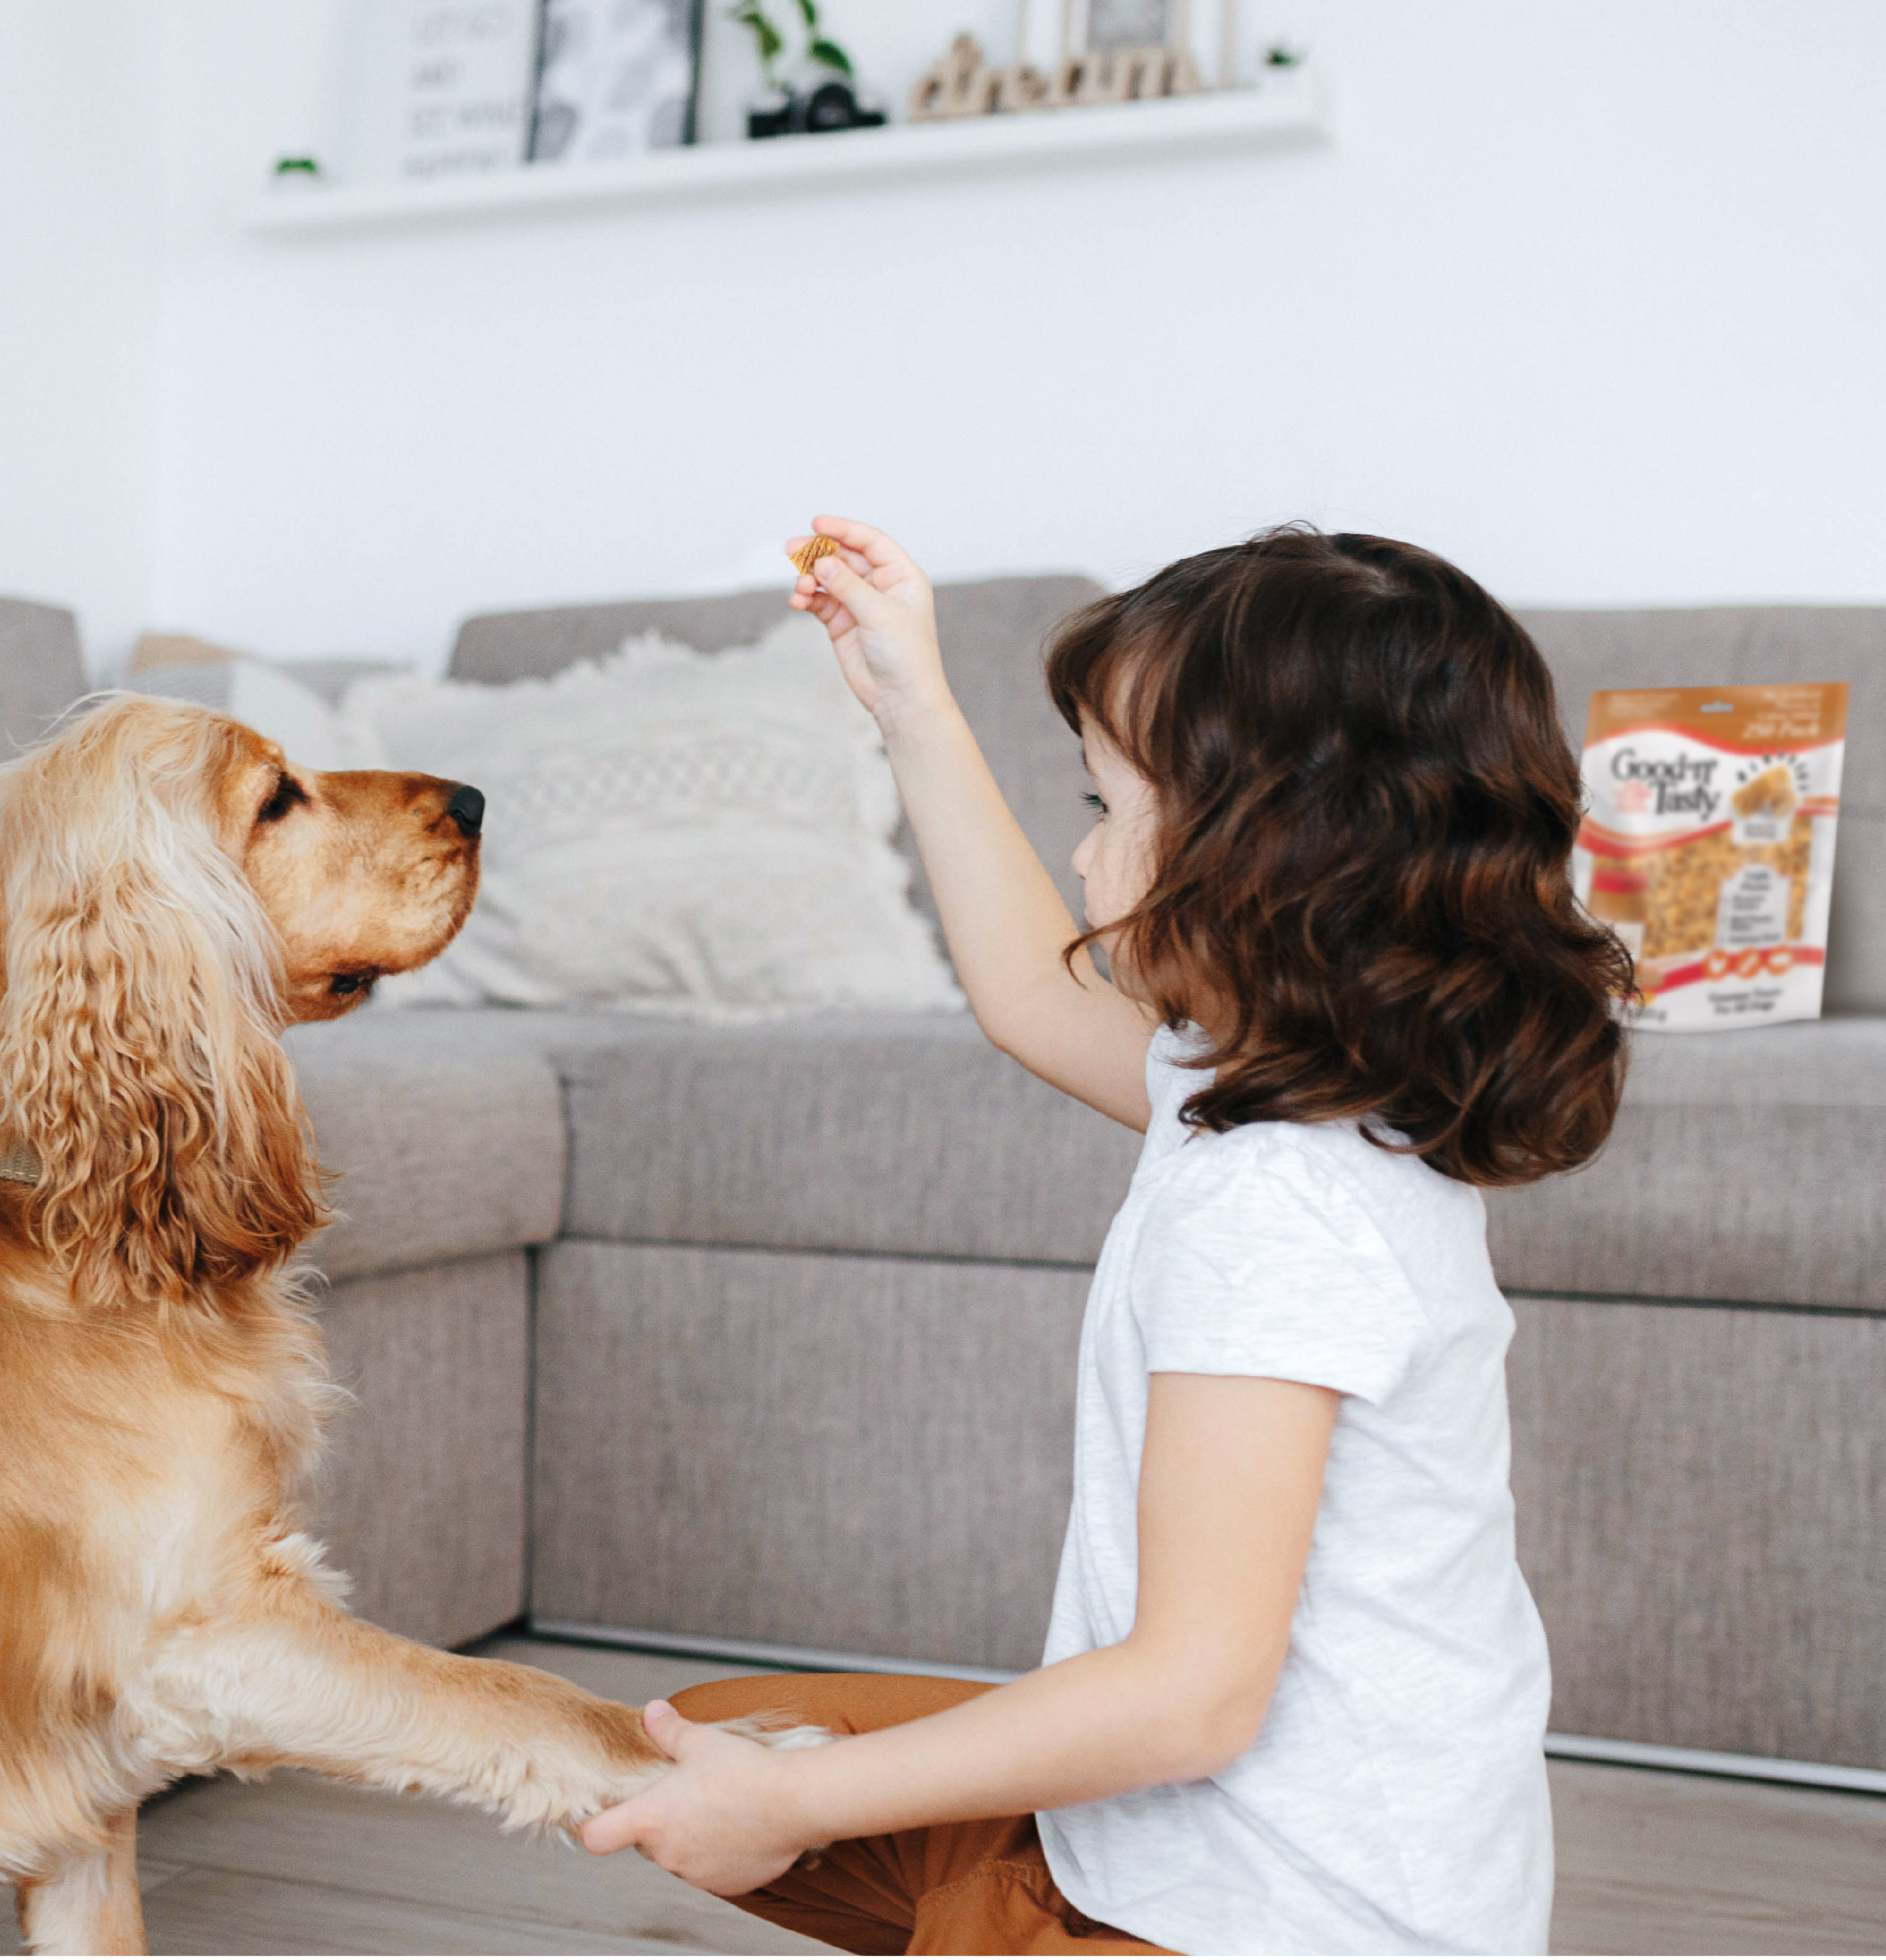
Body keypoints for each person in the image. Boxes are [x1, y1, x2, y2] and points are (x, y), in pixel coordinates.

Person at [581, 517, 1633, 1955]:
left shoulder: (1277, 1203)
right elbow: (1028, 991)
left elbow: (1191, 1695)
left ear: (1256, 850)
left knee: (745, 1783)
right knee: (694, 1741)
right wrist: (911, 703)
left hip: (1264, 1921)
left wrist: (800, 1808)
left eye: (1100, 803)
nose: (1079, 852)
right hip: (1323, 1872)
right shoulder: (1307, 1087)